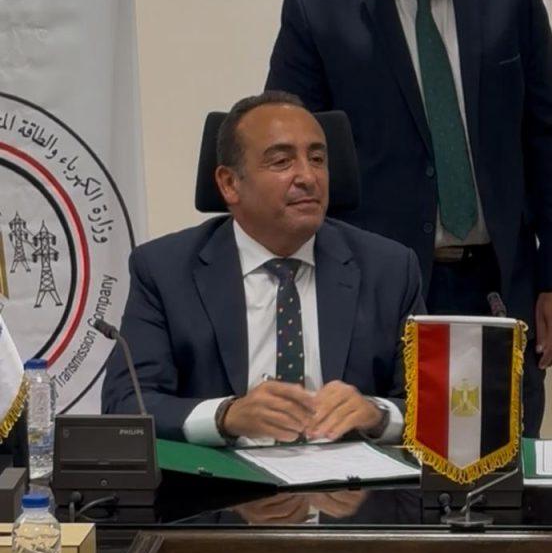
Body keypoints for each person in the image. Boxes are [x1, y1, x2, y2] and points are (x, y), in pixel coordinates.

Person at [266, 0, 552, 434]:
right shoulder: (318, 9)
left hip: (498, 282)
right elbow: (289, 155)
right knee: (381, 456)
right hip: (376, 288)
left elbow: (550, 138)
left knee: (499, 455)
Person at [102, 91, 423, 444]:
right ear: (229, 184)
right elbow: (126, 405)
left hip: (352, 476)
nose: (308, 176)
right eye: (282, 162)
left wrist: (379, 415)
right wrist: (225, 416)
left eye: (317, 159)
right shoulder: (165, 271)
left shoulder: (389, 270)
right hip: (223, 476)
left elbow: (438, 411)